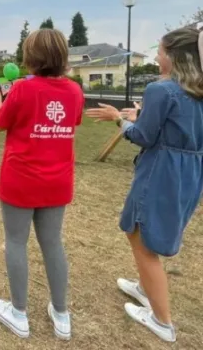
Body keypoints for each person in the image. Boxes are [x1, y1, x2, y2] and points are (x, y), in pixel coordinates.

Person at [86, 25, 203, 343]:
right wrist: (141, 116)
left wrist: (119, 119)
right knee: (145, 229)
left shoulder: (161, 90)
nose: (156, 56)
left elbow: (143, 137)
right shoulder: (196, 91)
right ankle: (144, 287)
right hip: (188, 172)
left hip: (160, 172)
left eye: (161, 51)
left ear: (175, 57)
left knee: (142, 235)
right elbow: (176, 128)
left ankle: (162, 321)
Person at [0, 29, 83, 340]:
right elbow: (73, 121)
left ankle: (19, 313)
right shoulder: (75, 91)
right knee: (53, 243)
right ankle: (61, 314)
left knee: (16, 241)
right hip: (57, 182)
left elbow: (0, 121)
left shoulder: (23, 90)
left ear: (31, 58)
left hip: (21, 180)